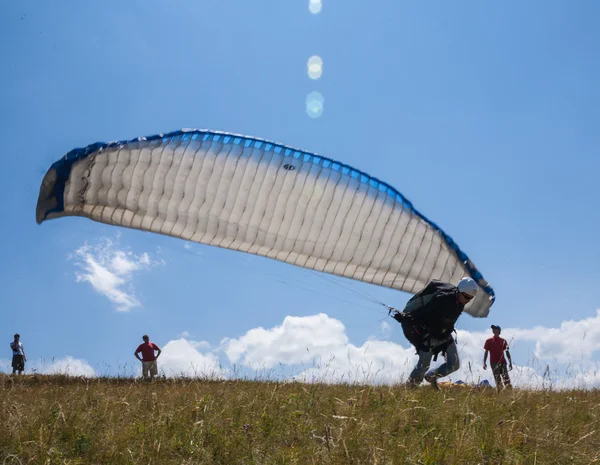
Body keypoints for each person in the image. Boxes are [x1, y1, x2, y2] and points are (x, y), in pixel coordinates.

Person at [390, 277, 479, 389]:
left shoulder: (460, 300)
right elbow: (423, 311)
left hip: (444, 333)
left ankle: (431, 377)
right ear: (459, 291)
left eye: (470, 298)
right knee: (424, 365)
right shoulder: (442, 298)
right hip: (429, 335)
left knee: (454, 364)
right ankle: (409, 388)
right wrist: (404, 317)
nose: (467, 300)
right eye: (466, 297)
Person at [483, 324, 512, 390]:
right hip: (494, 363)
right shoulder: (488, 341)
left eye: (495, 328)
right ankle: (499, 394)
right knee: (498, 380)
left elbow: (507, 352)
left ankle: (509, 393)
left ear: (499, 331)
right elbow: (486, 352)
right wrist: (484, 363)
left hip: (503, 362)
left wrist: (510, 362)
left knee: (507, 380)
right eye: (493, 329)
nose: (493, 330)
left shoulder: (503, 341)